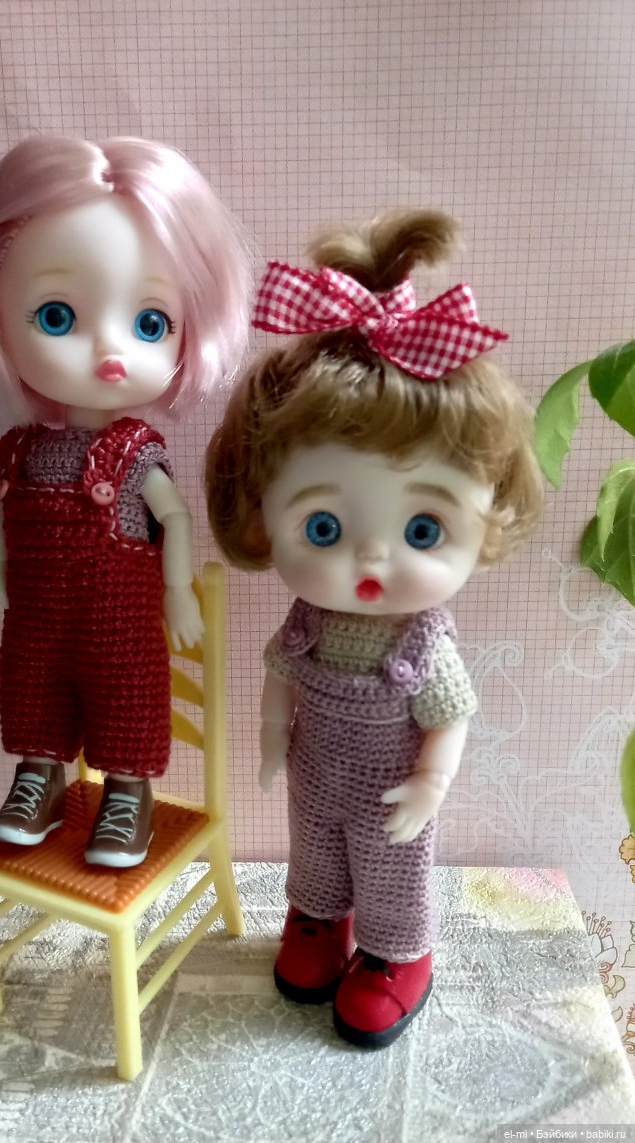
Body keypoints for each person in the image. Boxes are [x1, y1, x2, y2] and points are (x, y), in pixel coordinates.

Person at [206, 209, 543, 1046]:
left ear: (485, 520)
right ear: (261, 515)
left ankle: (398, 953)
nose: (372, 558)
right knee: (315, 852)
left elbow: (450, 715)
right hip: (315, 773)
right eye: (321, 527)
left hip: (395, 788)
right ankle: (319, 918)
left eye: (423, 529)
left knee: (394, 872)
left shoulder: (423, 642)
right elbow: (281, 677)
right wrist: (271, 736)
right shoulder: (306, 620)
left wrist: (431, 783)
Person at [0, 136, 250, 868]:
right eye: (57, 316)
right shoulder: (19, 450)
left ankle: (128, 794)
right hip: (38, 618)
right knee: (31, 692)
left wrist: (177, 591)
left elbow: (173, 515)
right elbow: (3, 514)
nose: (110, 352)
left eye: (150, 323)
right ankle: (39, 779)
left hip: (121, 620)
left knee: (127, 701)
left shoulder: (134, 450)